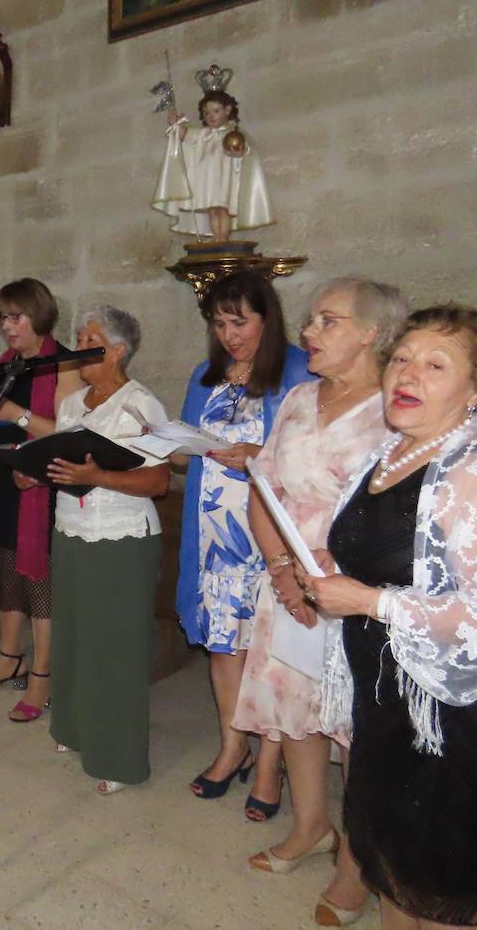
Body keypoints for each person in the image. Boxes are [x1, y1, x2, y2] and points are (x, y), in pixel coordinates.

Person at [300, 306, 477, 929]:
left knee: (441, 881)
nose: (408, 374)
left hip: (462, 710)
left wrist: (365, 600)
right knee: (394, 865)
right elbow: (387, 549)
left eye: (436, 365)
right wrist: (333, 562)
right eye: (403, 357)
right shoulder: (394, 451)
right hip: (390, 695)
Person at [229, 279, 404, 924]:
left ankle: (358, 864)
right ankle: (310, 827)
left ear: (372, 333)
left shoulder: (396, 407)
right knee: (293, 710)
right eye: (310, 320)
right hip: (288, 583)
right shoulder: (299, 397)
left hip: (353, 591)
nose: (308, 331)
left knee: (356, 728)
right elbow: (262, 485)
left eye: (328, 321)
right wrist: (280, 569)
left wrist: (336, 573)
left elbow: (406, 515)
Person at [174, 271, 314, 810]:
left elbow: (310, 461)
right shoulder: (205, 375)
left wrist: (258, 454)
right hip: (213, 536)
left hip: (268, 538)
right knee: (222, 645)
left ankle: (271, 765)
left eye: (241, 321)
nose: (229, 334)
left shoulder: (299, 370)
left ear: (267, 319)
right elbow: (190, 445)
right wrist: (169, 443)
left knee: (269, 653)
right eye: (219, 323)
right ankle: (233, 748)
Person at [34, 306, 170, 794]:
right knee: (72, 636)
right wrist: (36, 469)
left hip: (122, 538)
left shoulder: (140, 404)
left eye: (91, 338)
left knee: (115, 648)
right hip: (71, 532)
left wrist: (98, 477)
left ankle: (117, 756)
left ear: (118, 350)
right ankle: (72, 728)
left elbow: (157, 480)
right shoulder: (73, 405)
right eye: (78, 336)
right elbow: (65, 467)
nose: (79, 345)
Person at [0, 278, 83, 723]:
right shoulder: (7, 363)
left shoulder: (62, 364)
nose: (7, 326)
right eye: (1, 317)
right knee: (7, 569)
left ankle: (41, 675)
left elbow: (67, 433)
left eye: (15, 317)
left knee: (39, 583)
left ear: (39, 315)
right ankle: (8, 656)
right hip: (0, 477)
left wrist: (15, 414)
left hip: (40, 484)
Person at [153, 84, 272, 244]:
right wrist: (173, 120)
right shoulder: (203, 134)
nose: (211, 116)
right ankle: (216, 237)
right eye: (207, 112)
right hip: (207, 180)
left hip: (224, 180)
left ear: (227, 110)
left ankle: (223, 238)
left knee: (223, 209)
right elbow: (183, 134)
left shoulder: (233, 133)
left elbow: (245, 150)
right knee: (212, 210)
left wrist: (239, 152)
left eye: (216, 111)